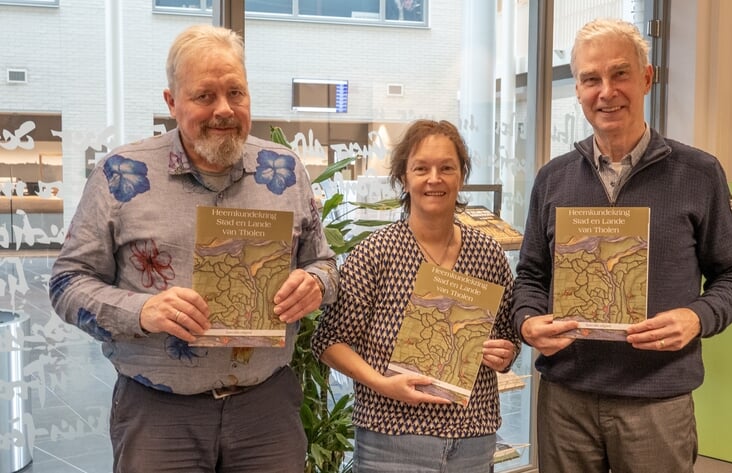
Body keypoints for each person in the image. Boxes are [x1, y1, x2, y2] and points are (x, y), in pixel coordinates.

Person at [49, 24, 337, 473]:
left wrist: (315, 283)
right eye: (205, 95)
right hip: (158, 414)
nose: (224, 109)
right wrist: (142, 311)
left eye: (236, 93)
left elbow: (323, 263)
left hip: (266, 410)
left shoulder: (283, 171)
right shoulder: (120, 174)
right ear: (171, 102)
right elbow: (66, 284)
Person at [512, 18, 732, 473]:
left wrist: (696, 318)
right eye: (591, 79)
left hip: (657, 400)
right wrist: (527, 322)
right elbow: (531, 275)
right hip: (566, 399)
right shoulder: (553, 179)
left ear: (646, 78)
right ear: (578, 90)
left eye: (620, 73)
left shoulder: (699, 174)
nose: (606, 92)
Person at [311, 119, 520, 473]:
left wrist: (506, 353)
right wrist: (383, 384)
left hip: (472, 441)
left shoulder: (488, 254)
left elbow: (509, 334)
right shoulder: (375, 253)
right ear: (403, 178)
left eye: (447, 168)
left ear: (461, 177)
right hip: (391, 441)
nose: (434, 179)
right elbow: (329, 341)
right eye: (421, 168)